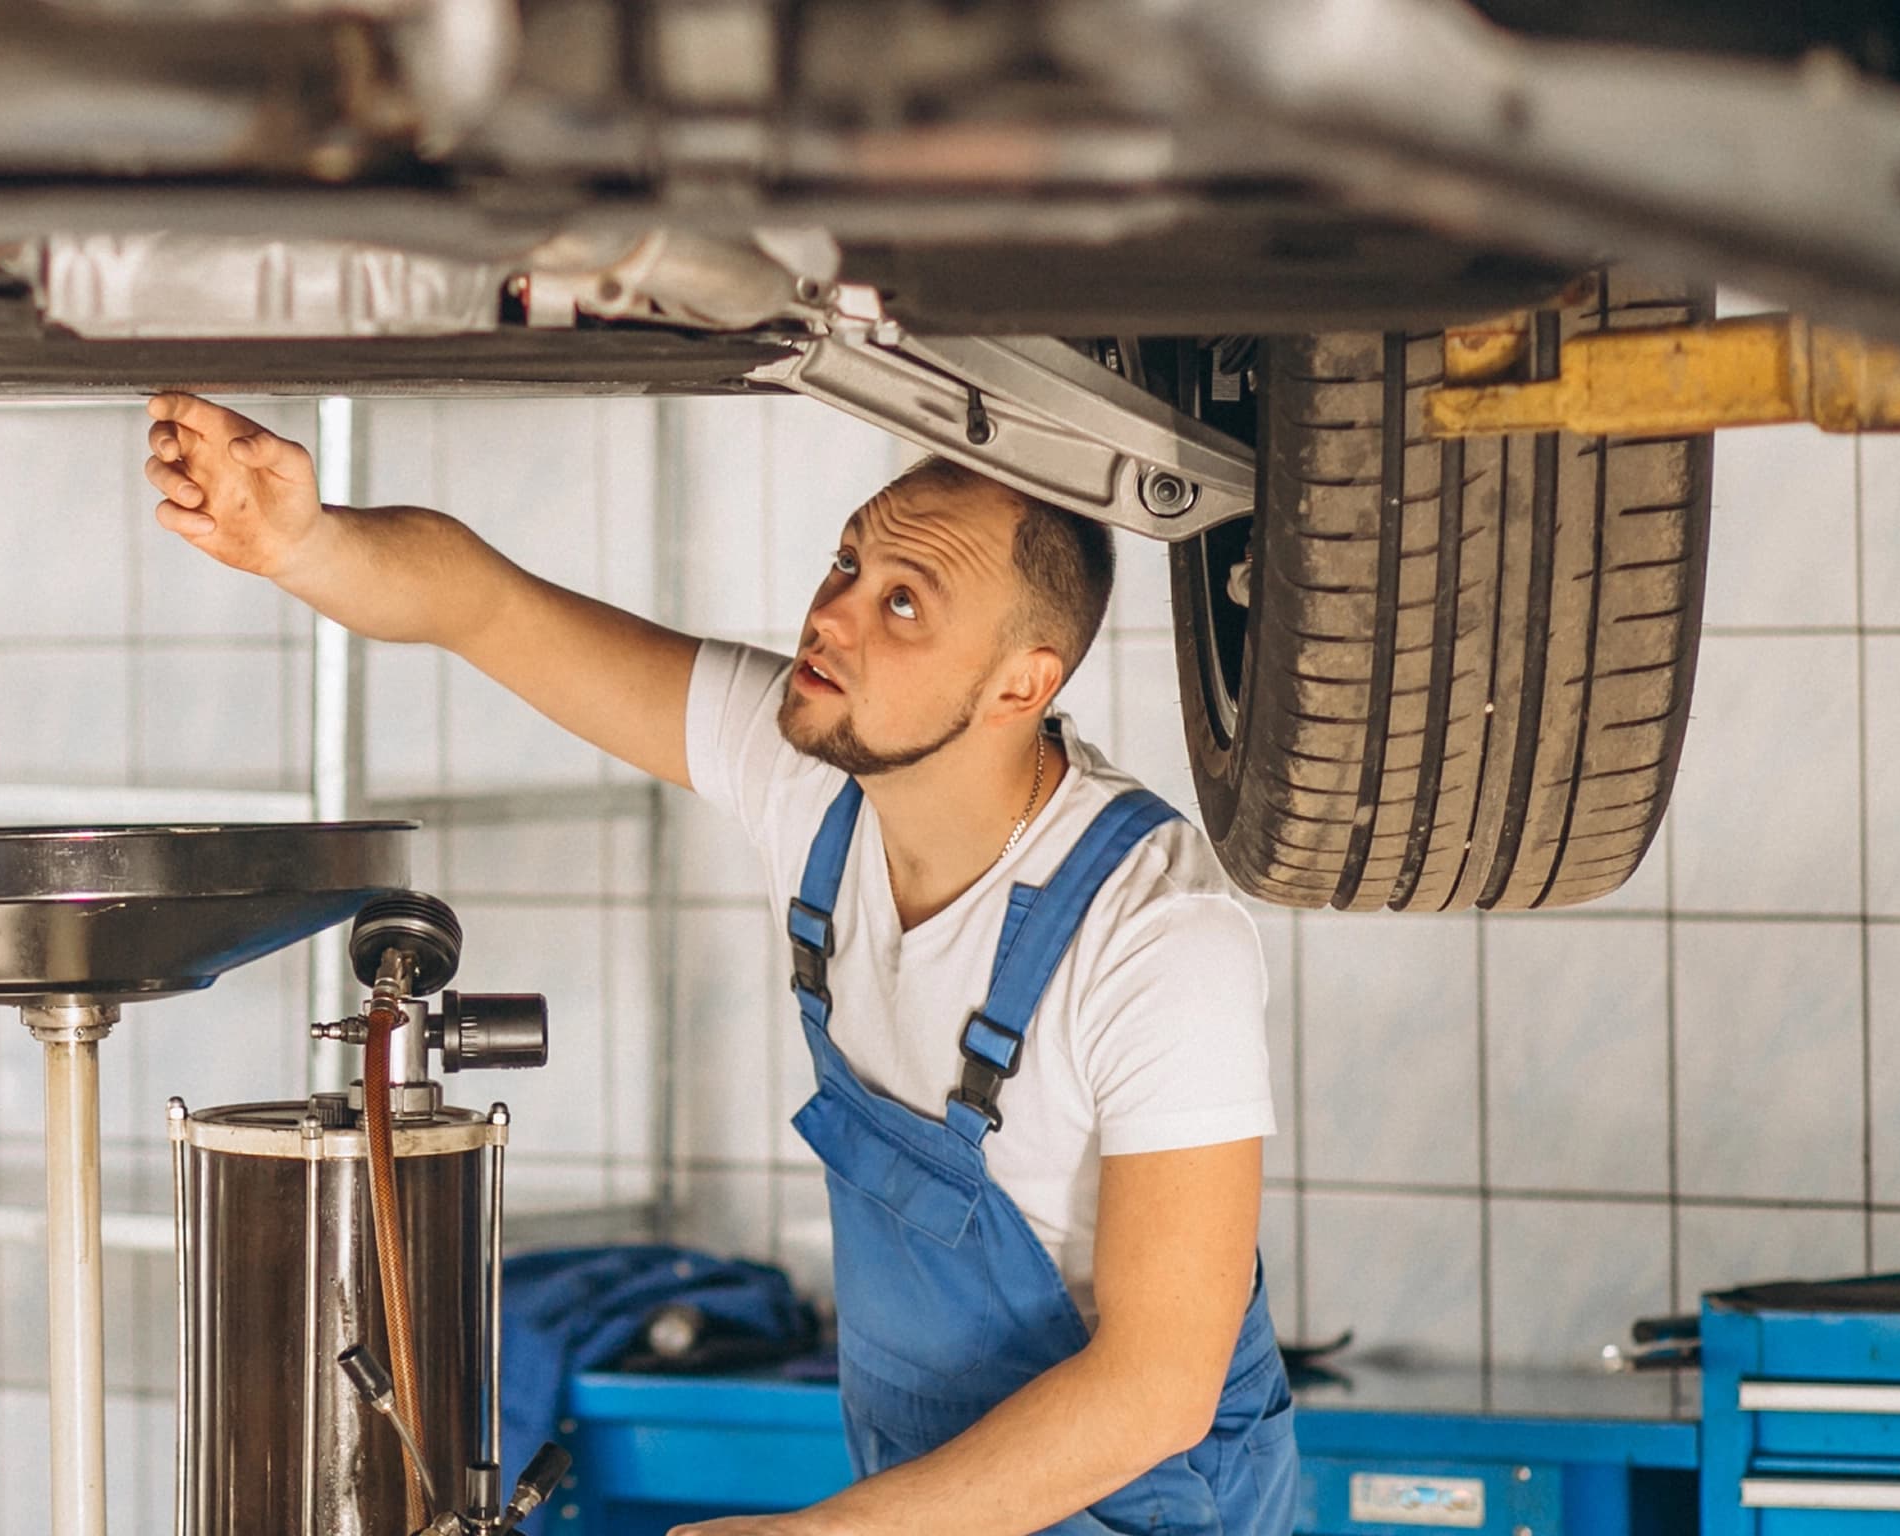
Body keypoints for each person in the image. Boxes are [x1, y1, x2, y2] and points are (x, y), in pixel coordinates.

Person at [140, 393, 1294, 1536]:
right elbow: (483, 605)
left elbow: (1156, 1389)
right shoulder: (817, 788)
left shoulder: (1153, 936)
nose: (833, 617)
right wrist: (305, 540)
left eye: (904, 603)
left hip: (1148, 1511)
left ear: (1020, 685)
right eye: (848, 561)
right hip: (922, 1495)